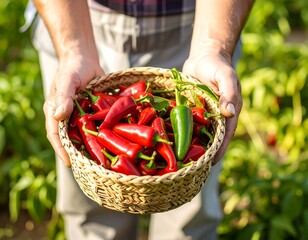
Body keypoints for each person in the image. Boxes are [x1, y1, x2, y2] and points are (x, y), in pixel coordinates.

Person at [28, 0, 254, 239]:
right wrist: (74, 49)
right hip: (73, 19)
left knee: (187, 220)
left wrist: (213, 47)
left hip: (201, 24)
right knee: (92, 217)